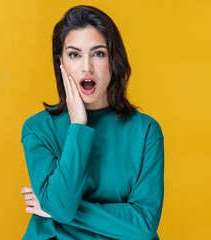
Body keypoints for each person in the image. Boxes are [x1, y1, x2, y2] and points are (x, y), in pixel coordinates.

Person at [20, 5, 164, 240]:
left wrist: (55, 209)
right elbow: (61, 206)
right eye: (74, 55)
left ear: (113, 60)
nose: (87, 66)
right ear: (62, 64)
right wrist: (77, 126)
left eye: (98, 53)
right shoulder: (38, 129)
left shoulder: (146, 131)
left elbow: (144, 225)